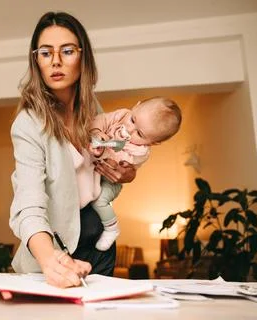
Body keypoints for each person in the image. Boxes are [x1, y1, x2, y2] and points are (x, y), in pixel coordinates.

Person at [9, 11, 136, 288]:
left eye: (67, 51)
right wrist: (49, 259)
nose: (56, 61)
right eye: (45, 53)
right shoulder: (28, 124)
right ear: (36, 61)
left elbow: (104, 171)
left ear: (83, 58)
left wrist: (124, 174)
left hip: (99, 245)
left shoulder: (95, 111)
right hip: (54, 251)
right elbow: (28, 205)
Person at [77, 97, 182, 252]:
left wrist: (102, 150)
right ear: (136, 106)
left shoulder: (140, 151)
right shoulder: (122, 115)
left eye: (139, 133)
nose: (129, 130)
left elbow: (116, 162)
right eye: (133, 120)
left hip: (110, 180)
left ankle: (111, 228)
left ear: (153, 143)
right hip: (95, 168)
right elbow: (101, 120)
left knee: (99, 200)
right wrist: (97, 132)